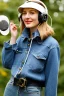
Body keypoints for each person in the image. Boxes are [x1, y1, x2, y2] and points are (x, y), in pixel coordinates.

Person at [2, 0, 60, 96]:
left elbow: (51, 82)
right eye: (24, 13)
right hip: (10, 89)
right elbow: (7, 64)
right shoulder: (21, 39)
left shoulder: (52, 45)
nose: (27, 17)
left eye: (32, 13)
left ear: (42, 17)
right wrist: (13, 38)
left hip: (31, 92)